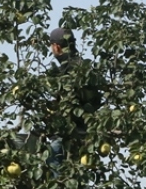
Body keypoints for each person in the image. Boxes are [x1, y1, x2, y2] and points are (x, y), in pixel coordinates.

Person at [42, 26, 103, 170]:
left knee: (53, 166)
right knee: (77, 175)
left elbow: (66, 102)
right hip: (87, 133)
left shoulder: (67, 69)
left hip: (69, 133)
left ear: (56, 47)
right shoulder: (84, 66)